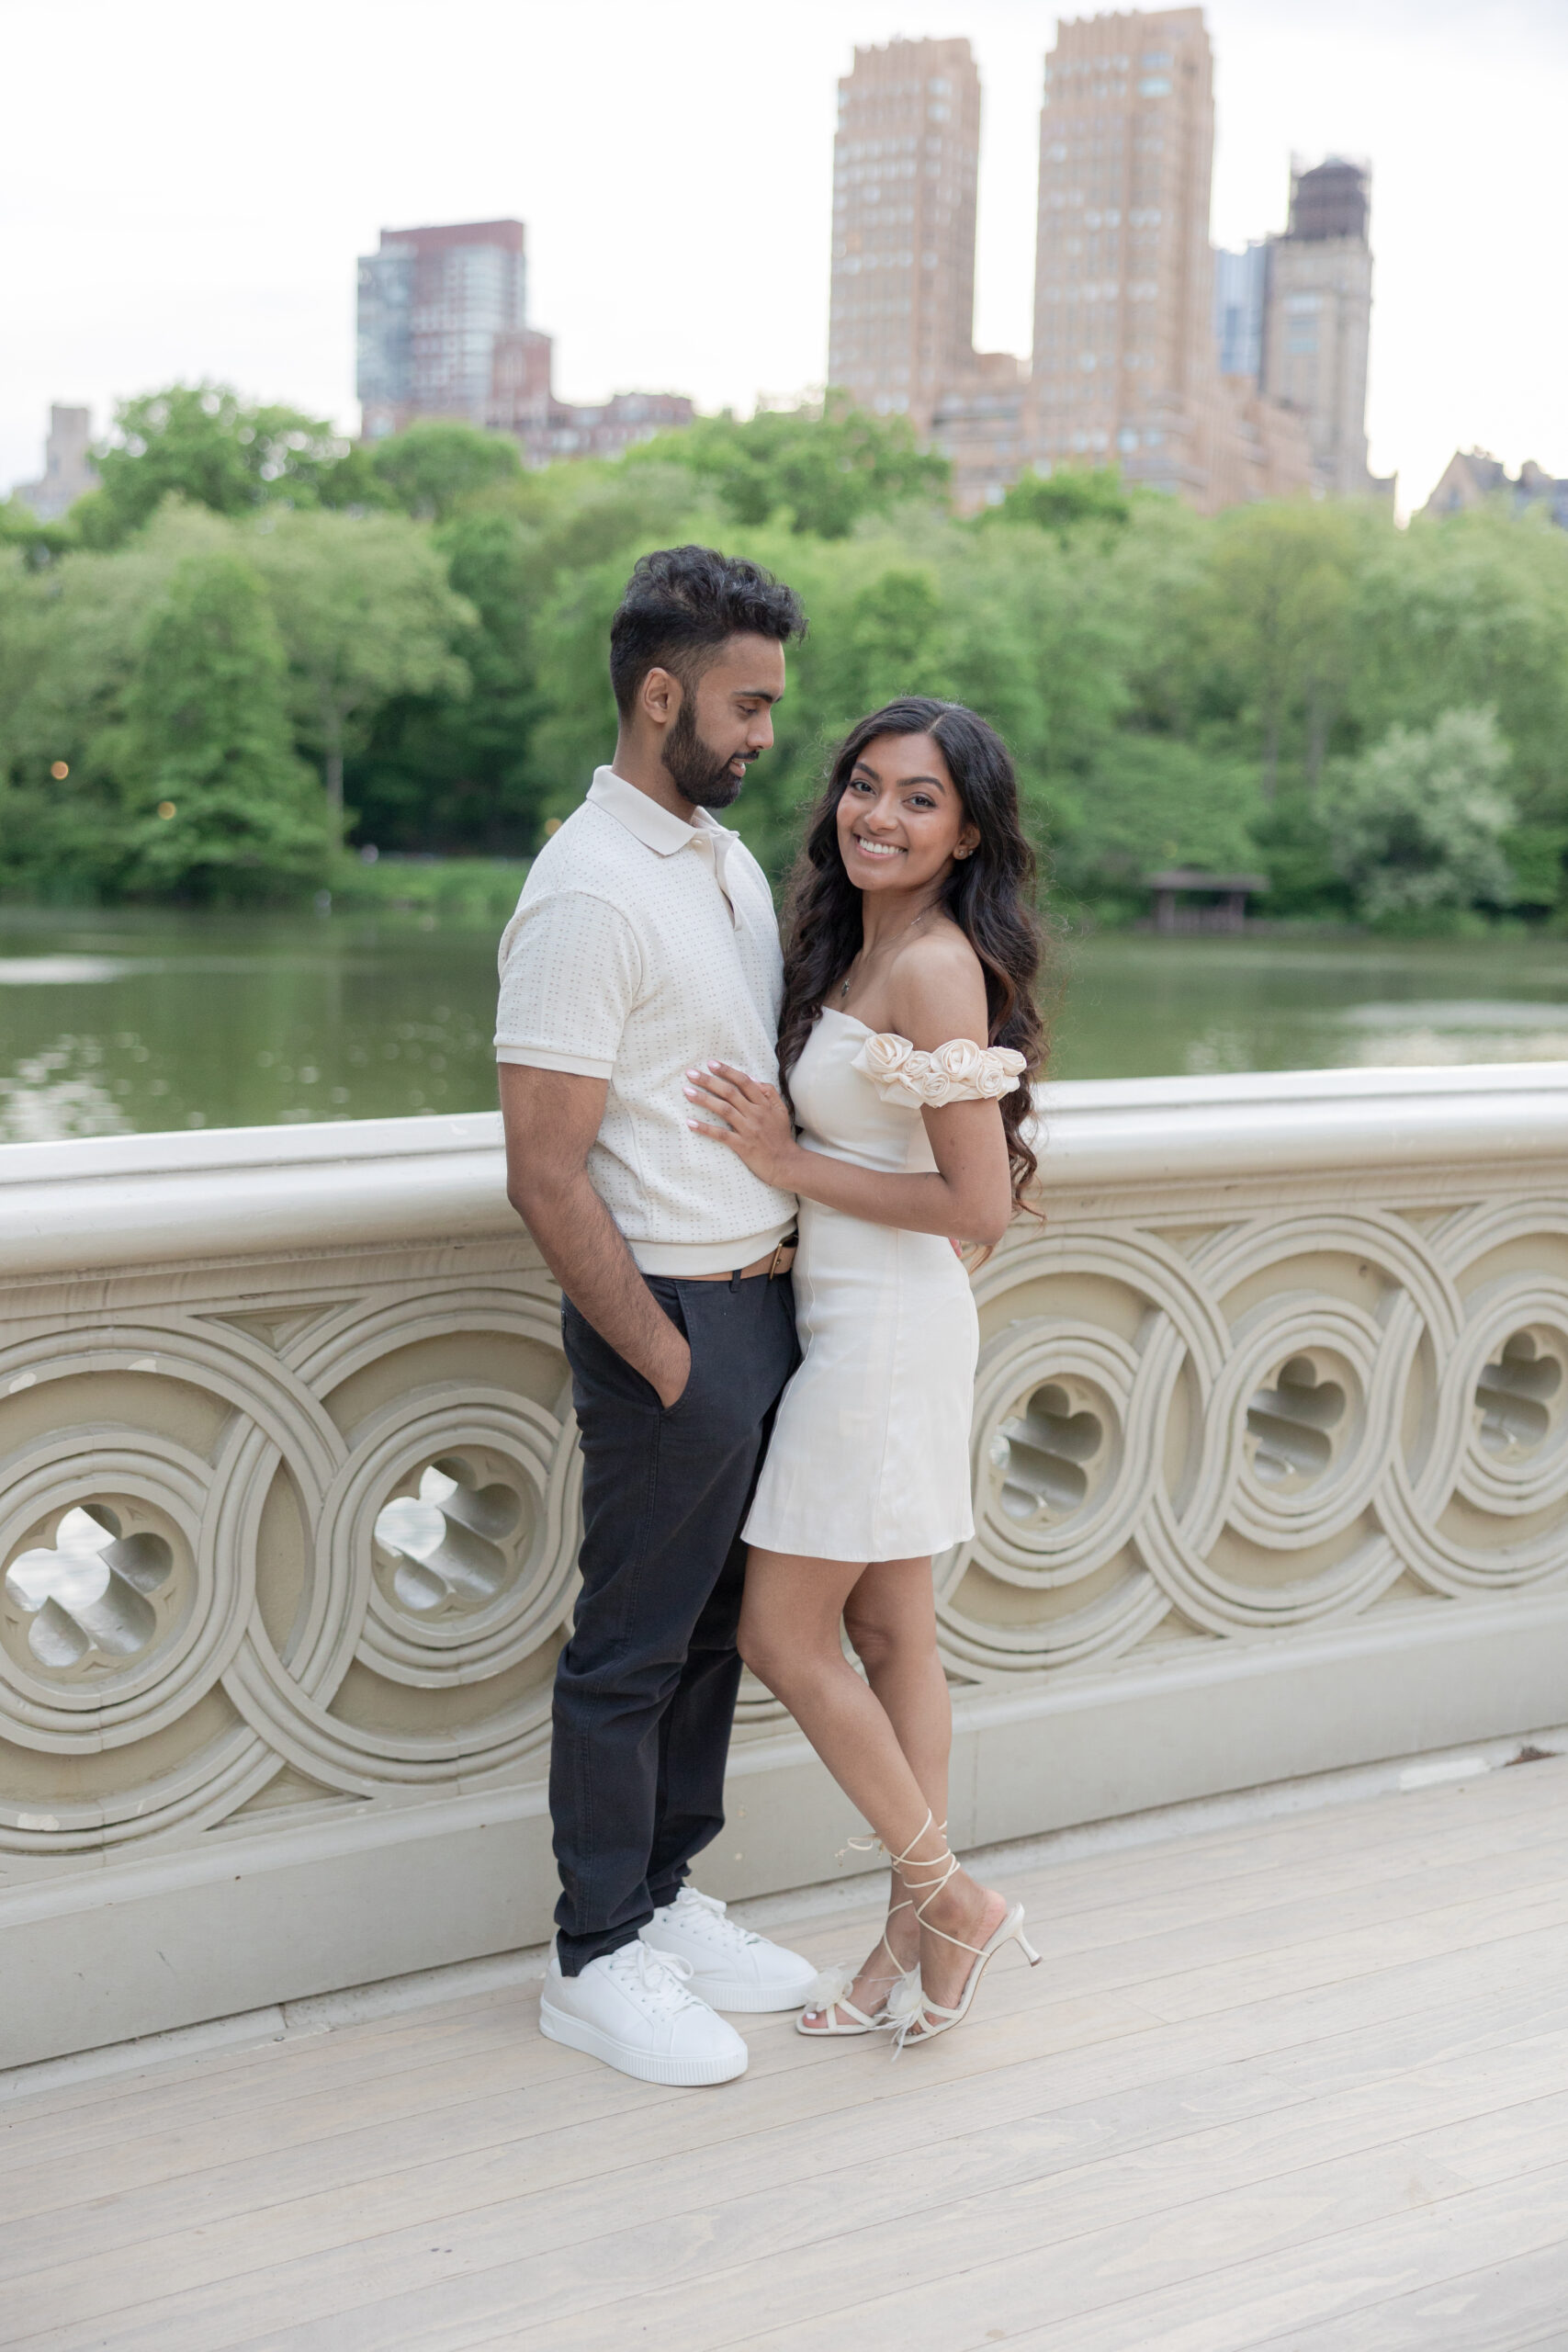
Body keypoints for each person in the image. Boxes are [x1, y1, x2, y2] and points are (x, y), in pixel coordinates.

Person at [497, 545, 818, 2087]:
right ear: (660, 691)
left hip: (759, 1313)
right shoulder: (585, 892)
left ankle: (666, 1899)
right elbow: (545, 1174)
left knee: (709, 1642)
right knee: (629, 1651)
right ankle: (595, 1954)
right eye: (748, 706)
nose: (766, 737)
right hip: (668, 1324)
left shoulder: (725, 862)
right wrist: (669, 1356)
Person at [684, 696, 1047, 2049]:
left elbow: (976, 1207)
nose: (877, 817)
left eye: (918, 800)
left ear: (965, 837)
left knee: (783, 1635)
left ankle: (949, 1898)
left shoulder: (937, 968)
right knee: (894, 1635)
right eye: (862, 786)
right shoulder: (849, 943)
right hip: (852, 1318)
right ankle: (916, 1932)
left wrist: (785, 1166)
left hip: (887, 1334)